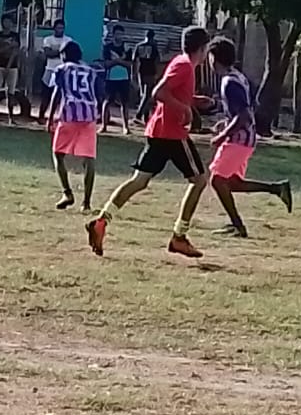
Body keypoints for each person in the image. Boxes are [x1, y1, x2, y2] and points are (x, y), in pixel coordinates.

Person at [86, 26, 213, 259]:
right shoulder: (185, 66)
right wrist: (184, 108)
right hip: (172, 134)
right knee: (200, 180)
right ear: (202, 49)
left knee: (139, 181)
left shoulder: (181, 62)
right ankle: (179, 236)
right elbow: (159, 93)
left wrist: (192, 101)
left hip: (158, 131)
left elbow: (171, 92)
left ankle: (101, 221)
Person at [203, 37, 292, 237]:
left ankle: (238, 226)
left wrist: (222, 135)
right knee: (231, 182)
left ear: (213, 58)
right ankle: (277, 189)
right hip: (246, 138)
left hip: (240, 140)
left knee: (218, 180)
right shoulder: (237, 77)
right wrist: (225, 122)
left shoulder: (229, 82)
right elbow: (243, 111)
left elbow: (243, 115)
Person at [47, 40, 99, 213]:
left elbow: (57, 92)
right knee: (89, 159)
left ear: (63, 55)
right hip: (89, 115)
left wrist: (50, 116)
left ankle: (67, 193)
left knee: (58, 153)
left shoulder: (62, 69)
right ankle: (87, 202)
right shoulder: (91, 71)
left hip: (69, 113)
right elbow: (100, 92)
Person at [0, 14, 23, 121]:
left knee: (11, 93)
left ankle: (11, 117)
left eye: (9, 22)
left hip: (12, 67)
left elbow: (15, 52)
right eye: (5, 22)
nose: (7, 24)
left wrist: (8, 65)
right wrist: (9, 46)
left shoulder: (15, 35)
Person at [37, 19, 72, 123]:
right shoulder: (48, 39)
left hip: (63, 71)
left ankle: (58, 117)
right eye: (58, 28)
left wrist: (55, 52)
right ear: (54, 28)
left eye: (62, 28)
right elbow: (48, 54)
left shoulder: (68, 40)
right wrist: (61, 51)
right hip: (50, 69)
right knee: (46, 95)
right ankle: (41, 116)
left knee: (61, 96)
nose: (60, 30)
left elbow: (69, 55)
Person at [100, 25, 132, 134]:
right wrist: (118, 61)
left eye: (121, 34)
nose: (119, 36)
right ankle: (104, 126)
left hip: (124, 78)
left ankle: (126, 127)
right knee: (107, 101)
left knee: (125, 103)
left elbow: (129, 64)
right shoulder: (107, 48)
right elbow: (106, 64)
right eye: (117, 34)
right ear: (113, 35)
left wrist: (118, 61)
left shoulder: (127, 48)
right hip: (110, 78)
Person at [132, 29, 163, 123]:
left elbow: (134, 60)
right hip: (150, 72)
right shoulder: (154, 47)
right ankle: (139, 114)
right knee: (147, 95)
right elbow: (157, 60)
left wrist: (133, 73)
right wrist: (158, 73)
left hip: (141, 71)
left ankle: (145, 117)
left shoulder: (139, 46)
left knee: (144, 95)